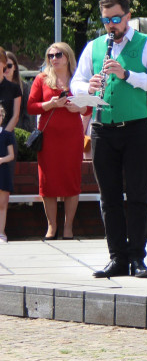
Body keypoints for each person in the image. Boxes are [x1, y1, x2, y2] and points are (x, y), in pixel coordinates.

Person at [72, 0, 147, 279]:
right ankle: (117, 257)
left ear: (127, 16)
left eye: (115, 19)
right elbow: (76, 82)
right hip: (102, 128)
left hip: (136, 128)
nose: (111, 25)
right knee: (109, 197)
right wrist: (88, 87)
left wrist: (128, 75)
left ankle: (137, 257)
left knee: (138, 194)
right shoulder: (94, 47)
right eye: (106, 20)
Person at [27, 43, 89, 239]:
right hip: (49, 139)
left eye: (58, 54)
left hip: (72, 137)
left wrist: (77, 108)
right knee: (48, 182)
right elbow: (31, 106)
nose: (54, 58)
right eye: (50, 55)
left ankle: (68, 227)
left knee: (71, 180)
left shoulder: (78, 79)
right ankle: (52, 227)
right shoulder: (42, 79)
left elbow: (89, 107)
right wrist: (50, 104)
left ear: (68, 56)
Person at [7, 52, 33, 132]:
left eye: (9, 66)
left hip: (18, 134)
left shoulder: (23, 87)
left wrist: (24, 134)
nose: (5, 69)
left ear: (14, 67)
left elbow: (29, 115)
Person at [0, 52, 22, 133]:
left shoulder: (16, 88)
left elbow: (16, 116)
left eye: (9, 66)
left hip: (8, 132)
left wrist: (4, 135)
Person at [0, 105, 12, 243]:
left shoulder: (6, 135)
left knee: (2, 204)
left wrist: (2, 160)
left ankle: (1, 232)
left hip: (3, 173)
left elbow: (11, 155)